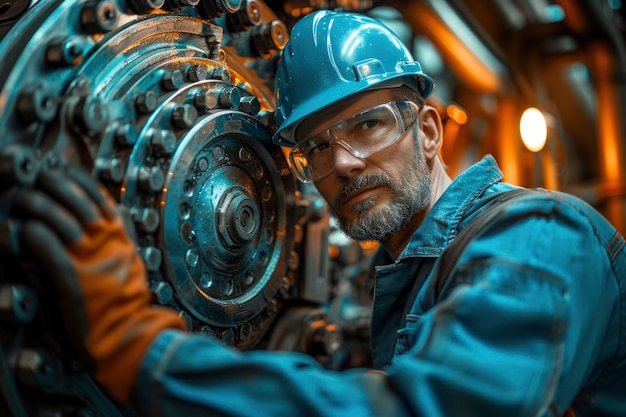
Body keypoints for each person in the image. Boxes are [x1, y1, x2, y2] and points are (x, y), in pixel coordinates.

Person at [9, 9, 626, 417]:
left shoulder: (539, 235)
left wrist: (139, 349)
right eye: (317, 148)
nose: (345, 163)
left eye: (368, 123)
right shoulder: (408, 280)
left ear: (431, 132)